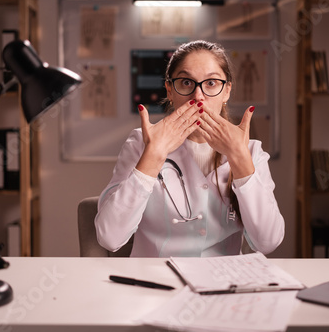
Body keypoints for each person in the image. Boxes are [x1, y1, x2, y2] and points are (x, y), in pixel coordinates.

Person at [95, 40, 284, 257]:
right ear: (170, 89)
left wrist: (238, 157)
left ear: (227, 91)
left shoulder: (250, 151)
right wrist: (154, 155)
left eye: (211, 83)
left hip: (222, 283)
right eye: (186, 82)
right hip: (155, 282)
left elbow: (268, 242)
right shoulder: (141, 144)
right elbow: (109, 238)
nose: (198, 96)